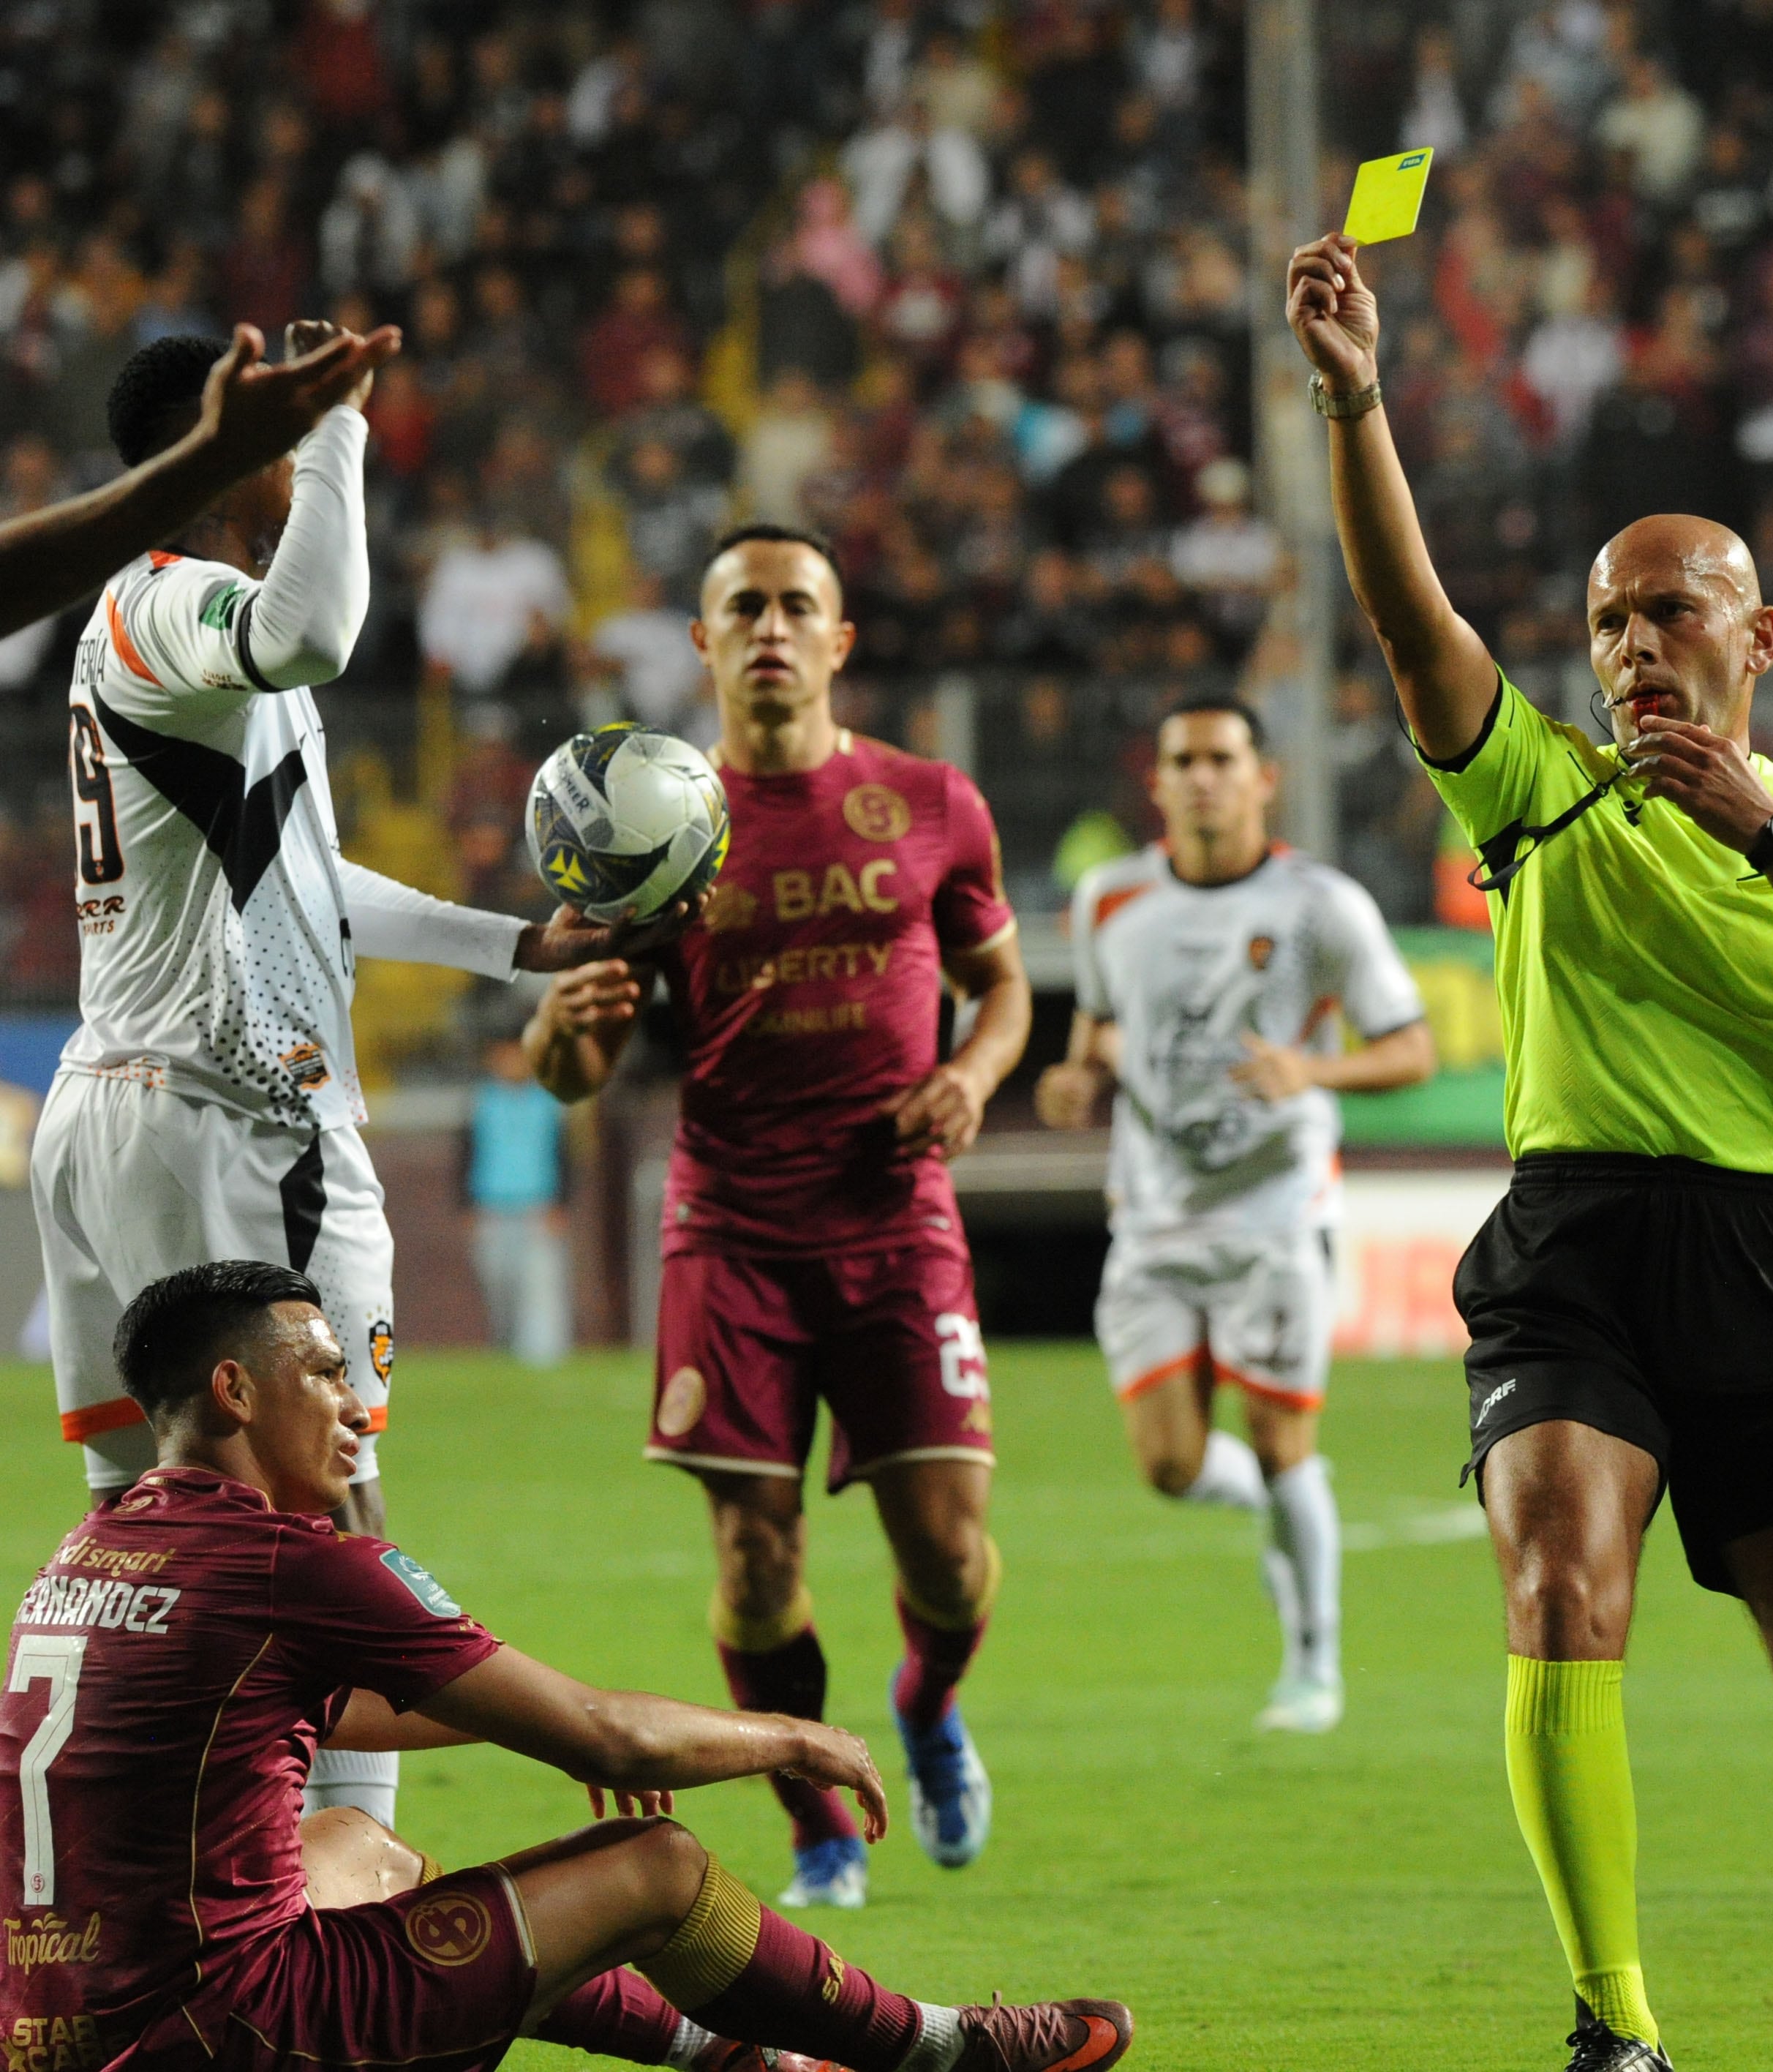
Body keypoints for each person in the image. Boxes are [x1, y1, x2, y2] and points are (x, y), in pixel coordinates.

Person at [1285, 231, 1773, 2072]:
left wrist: (1766, 836)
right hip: (1575, 1241)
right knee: (1555, 1585)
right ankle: (1617, 2025)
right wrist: (1358, 405)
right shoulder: (1536, 792)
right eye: (1608, 618)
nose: (1633, 643)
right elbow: (1412, 628)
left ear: (1756, 639)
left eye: (1671, 610)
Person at [31, 328, 652, 1834]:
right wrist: (345, 434)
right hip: (242, 1125)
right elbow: (316, 636)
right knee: (325, 1517)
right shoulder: (180, 603)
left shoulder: (171, 630)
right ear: (220, 444)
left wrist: (515, 944)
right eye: (275, 424)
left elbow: (300, 876)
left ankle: (140, 1870)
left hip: (116, 1111)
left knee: (144, 1542)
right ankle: (341, 1865)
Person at [0, 1258, 1134, 2072]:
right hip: (234, 2028)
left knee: (357, 1846)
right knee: (656, 1868)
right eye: (328, 1374)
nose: (359, 1409)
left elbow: (327, 1709)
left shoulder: (95, 1548)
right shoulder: (297, 1566)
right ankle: (937, 2051)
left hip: (60, 2028)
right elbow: (611, 1738)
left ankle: (731, 2055)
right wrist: (798, 1737)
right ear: (234, 1393)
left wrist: (524, 1722)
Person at [525, 524, 1034, 1912]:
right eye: (739, 605)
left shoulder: (932, 801)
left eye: (794, 603)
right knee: (756, 1558)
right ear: (699, 642)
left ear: (838, 638)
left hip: (896, 1219)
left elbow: (1006, 988)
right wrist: (561, 1032)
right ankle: (819, 1831)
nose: (768, 625)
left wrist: (973, 1075)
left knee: (946, 1545)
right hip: (732, 1231)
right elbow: (577, 1071)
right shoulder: (654, 827)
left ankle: (926, 1710)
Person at [1036, 693, 1434, 1734]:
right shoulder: (1109, 901)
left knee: (1278, 1438)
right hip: (1155, 1221)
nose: (1203, 778)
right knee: (1169, 1466)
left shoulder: (1322, 904)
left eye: (1222, 759)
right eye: (1184, 761)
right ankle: (1282, 1506)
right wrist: (1074, 1083)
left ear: (1264, 778)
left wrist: (1311, 1067)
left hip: (1275, 1215)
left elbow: (1413, 1048)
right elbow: (1099, 1029)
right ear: (1157, 782)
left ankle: (1314, 1666)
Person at [0, 320, 397, 639]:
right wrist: (337, 420)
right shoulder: (164, 600)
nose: (298, 468)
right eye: (286, 444)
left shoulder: (168, 594)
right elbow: (314, 638)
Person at [465, 1032, 572, 1364]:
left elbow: (563, 1157)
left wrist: (560, 1203)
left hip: (536, 1208)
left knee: (541, 1287)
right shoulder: (482, 1103)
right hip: (493, 1209)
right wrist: (467, 1205)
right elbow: (466, 1156)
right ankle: (506, 1349)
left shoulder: (548, 1103)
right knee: (500, 1287)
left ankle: (543, 1357)